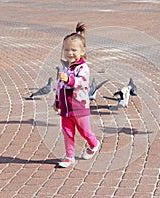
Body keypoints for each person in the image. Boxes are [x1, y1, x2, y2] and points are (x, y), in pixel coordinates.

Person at [54, 22, 100, 168]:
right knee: (67, 133)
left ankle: (94, 144)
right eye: (67, 50)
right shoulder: (64, 67)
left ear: (82, 51)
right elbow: (59, 86)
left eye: (74, 50)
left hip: (79, 107)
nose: (70, 53)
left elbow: (82, 83)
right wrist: (57, 102)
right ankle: (69, 157)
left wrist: (69, 79)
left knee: (85, 132)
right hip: (66, 109)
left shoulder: (83, 68)